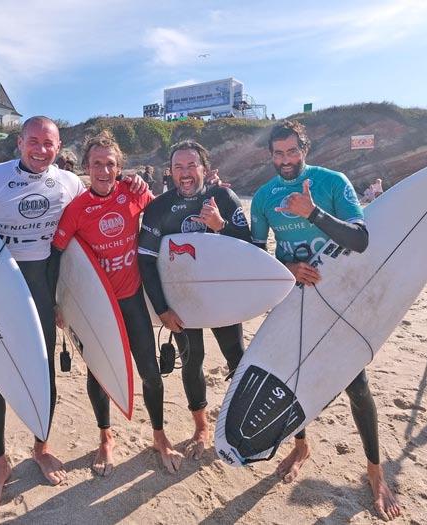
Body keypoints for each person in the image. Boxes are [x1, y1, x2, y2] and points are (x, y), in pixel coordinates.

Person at [0, 116, 147, 514]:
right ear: (20, 142)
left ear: (58, 146)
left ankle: (40, 448)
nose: (41, 150)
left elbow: (99, 198)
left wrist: (131, 181)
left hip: (42, 291)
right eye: (33, 141)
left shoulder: (67, 183)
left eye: (49, 143)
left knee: (43, 372)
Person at [250, 120, 401, 521]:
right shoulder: (263, 197)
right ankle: (301, 445)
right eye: (278, 153)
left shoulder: (332, 182)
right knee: (293, 379)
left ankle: (374, 471)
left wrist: (312, 212)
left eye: (292, 151)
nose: (286, 160)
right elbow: (256, 254)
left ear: (304, 149)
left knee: (357, 387)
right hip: (293, 299)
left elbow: (360, 239)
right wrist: (287, 268)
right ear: (271, 155)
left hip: (340, 299)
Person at [50, 130, 184, 475]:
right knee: (99, 375)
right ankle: (105, 438)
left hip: (132, 299)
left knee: (150, 373)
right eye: (97, 164)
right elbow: (57, 256)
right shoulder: (76, 210)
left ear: (120, 167)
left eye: (110, 164)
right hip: (97, 307)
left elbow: (163, 220)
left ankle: (159, 436)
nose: (104, 171)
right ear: (87, 167)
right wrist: (57, 303)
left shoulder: (133, 193)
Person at [138, 140, 252, 461]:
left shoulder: (224, 199)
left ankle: (239, 423)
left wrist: (220, 226)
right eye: (178, 167)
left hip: (221, 296)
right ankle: (201, 427)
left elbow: (251, 250)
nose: (185, 173)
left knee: (237, 358)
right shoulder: (159, 208)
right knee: (192, 360)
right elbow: (146, 260)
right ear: (170, 171)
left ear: (205, 168)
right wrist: (162, 309)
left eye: (191, 165)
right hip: (182, 300)